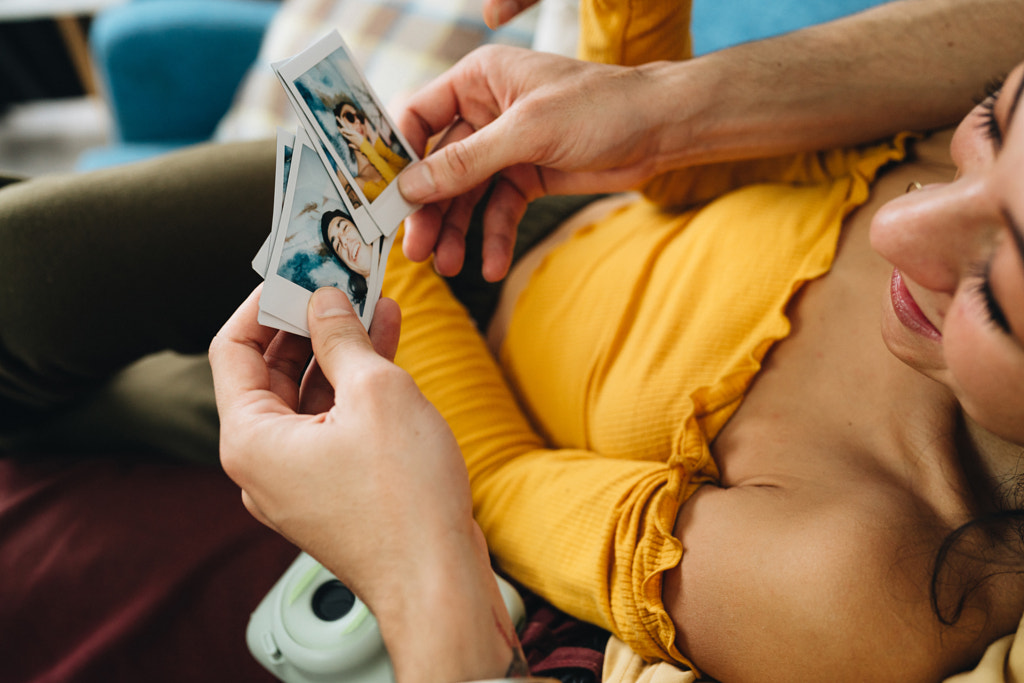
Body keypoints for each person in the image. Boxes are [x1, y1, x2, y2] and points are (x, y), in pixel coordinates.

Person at [1, 1, 1023, 682]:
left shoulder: (858, 582)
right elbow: (708, 181)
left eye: (997, 293)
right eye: (988, 121)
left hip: (446, 404)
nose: (904, 221)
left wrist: (381, 251)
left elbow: (490, 477)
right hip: (530, 224)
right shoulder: (945, 185)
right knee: (30, 260)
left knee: (79, 423)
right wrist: (633, 36)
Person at [333, 96, 411, 202]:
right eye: (349, 117)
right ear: (341, 130)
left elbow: (410, 168)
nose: (357, 121)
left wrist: (381, 149)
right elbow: (399, 195)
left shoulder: (385, 158)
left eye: (359, 116)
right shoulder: (358, 183)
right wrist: (366, 147)